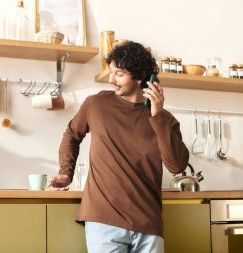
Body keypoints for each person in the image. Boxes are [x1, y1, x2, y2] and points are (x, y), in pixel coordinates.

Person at [48, 41, 189, 253]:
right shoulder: (96, 105)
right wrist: (65, 173)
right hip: (104, 220)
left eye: (119, 73)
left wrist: (157, 116)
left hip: (148, 225)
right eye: (111, 72)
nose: (111, 79)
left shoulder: (164, 120)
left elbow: (177, 166)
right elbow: (72, 135)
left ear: (141, 77)